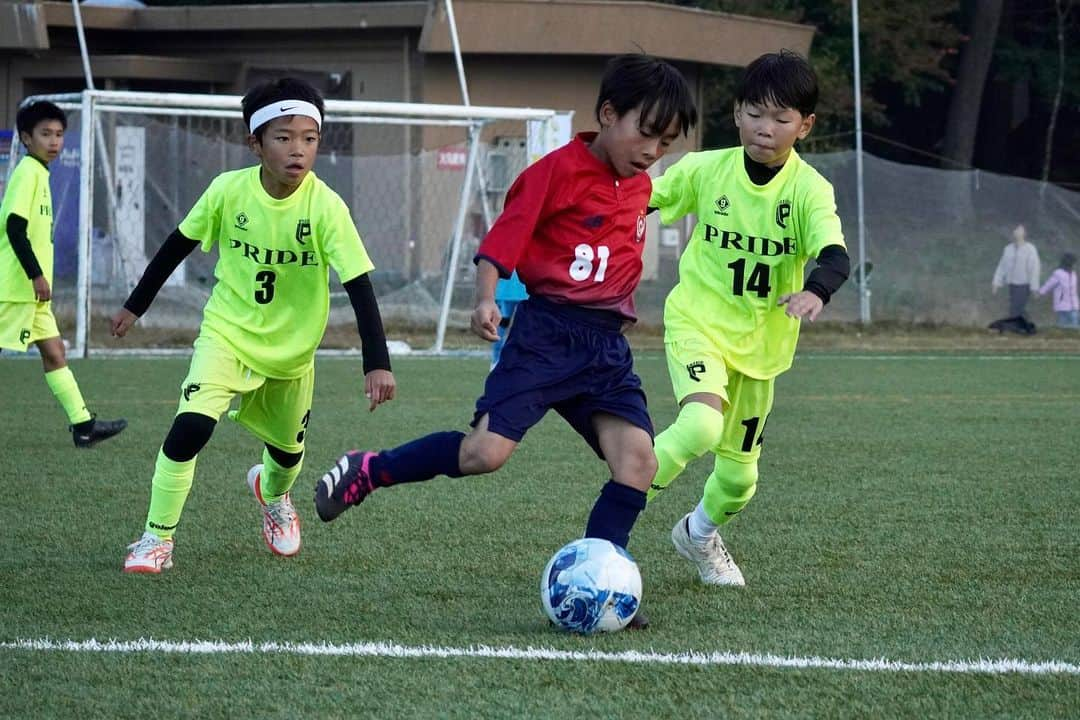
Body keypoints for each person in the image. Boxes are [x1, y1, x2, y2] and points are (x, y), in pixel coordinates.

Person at [315, 54, 697, 627]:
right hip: (545, 338)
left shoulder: (640, 185)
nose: (651, 151)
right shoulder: (556, 172)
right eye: (646, 133)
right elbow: (503, 239)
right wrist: (486, 296)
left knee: (637, 462)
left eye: (665, 143)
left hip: (605, 351)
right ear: (608, 114)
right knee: (484, 455)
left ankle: (603, 577)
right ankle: (371, 469)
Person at [113, 77, 396, 573]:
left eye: (309, 138)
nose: (298, 150)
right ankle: (155, 539)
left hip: (291, 352)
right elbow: (177, 245)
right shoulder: (227, 190)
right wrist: (136, 305)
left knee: (287, 454)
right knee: (190, 428)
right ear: (255, 142)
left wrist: (377, 362)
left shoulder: (326, 206)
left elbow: (358, 284)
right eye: (284, 137)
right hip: (227, 333)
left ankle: (272, 495)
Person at [646, 50, 849, 587]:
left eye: (782, 119)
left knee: (739, 480)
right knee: (700, 424)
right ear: (736, 113)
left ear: (803, 126)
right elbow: (635, 201)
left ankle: (697, 534)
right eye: (755, 113)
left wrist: (815, 293)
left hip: (761, 347)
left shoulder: (810, 191)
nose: (766, 128)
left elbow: (834, 256)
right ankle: (612, 514)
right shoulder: (705, 169)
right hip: (698, 322)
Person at [0, 100, 126, 447]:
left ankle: (83, 426)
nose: (54, 141)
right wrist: (36, 275)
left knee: (55, 352)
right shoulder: (27, 171)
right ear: (26, 138)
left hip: (31, 293)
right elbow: (13, 227)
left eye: (59, 134)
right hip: (15, 287)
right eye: (45, 134)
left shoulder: (40, 172)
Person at [992, 224, 1040, 321]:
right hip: (1012, 284)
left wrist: (1034, 287)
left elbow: (1034, 269)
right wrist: (996, 283)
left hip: (1024, 285)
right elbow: (1002, 266)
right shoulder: (1008, 249)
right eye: (1016, 229)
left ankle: (1015, 329)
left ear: (1025, 233)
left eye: (1020, 229)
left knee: (1015, 309)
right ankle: (1027, 325)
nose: (1017, 231)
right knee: (1018, 308)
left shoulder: (1030, 249)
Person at [1038, 252, 1079, 329]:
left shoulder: (1073, 274)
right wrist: (1040, 292)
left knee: (1074, 327)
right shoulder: (1058, 273)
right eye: (1073, 262)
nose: (1074, 265)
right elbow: (1049, 285)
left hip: (1074, 305)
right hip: (1062, 305)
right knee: (1063, 327)